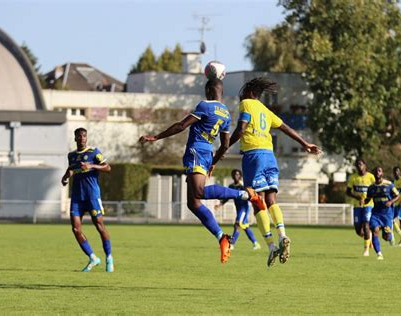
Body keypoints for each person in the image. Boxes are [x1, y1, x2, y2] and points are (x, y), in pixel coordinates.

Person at [138, 79, 265, 264]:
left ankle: (246, 194)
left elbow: (181, 126)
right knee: (193, 203)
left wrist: (156, 137)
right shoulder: (226, 114)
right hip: (207, 154)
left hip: (196, 151)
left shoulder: (205, 106)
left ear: (208, 90)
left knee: (198, 193)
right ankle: (222, 237)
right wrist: (213, 162)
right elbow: (226, 144)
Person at [211, 77, 322, 267]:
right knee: (271, 200)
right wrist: (305, 144)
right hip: (270, 156)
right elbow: (285, 128)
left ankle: (271, 246)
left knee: (256, 201)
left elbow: (241, 128)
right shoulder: (266, 110)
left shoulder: (246, 104)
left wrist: (226, 145)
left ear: (249, 92)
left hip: (254, 156)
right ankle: (283, 235)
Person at [61, 128, 114, 272]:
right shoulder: (71, 155)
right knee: (76, 229)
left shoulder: (94, 152)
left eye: (84, 136)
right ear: (75, 138)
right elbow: (70, 169)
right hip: (77, 197)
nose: (82, 138)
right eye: (80, 136)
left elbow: (108, 167)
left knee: (99, 225)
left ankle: (109, 257)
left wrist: (91, 165)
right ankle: (93, 258)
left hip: (92, 195)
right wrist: (65, 177)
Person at [215, 169, 261, 251]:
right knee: (245, 227)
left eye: (238, 174)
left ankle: (231, 244)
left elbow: (250, 196)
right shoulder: (231, 186)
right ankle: (256, 243)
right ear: (232, 176)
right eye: (235, 174)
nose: (236, 176)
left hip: (244, 208)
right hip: (238, 209)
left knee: (237, 225)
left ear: (240, 176)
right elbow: (227, 197)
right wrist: (220, 204)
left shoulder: (243, 186)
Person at [364, 166, 400, 260]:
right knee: (375, 231)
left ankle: (390, 236)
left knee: (386, 237)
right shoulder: (371, 187)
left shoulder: (389, 184)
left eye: (379, 171)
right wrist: (364, 201)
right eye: (376, 171)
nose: (377, 172)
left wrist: (391, 202)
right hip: (376, 213)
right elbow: (368, 198)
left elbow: (397, 195)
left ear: (382, 173)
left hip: (387, 214)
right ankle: (379, 253)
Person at [346, 159, 376, 256]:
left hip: (368, 205)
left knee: (366, 224)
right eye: (357, 165)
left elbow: (376, 190)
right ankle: (369, 237)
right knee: (358, 229)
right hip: (357, 206)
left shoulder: (371, 177)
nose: (359, 166)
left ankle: (366, 249)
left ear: (365, 165)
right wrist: (357, 197)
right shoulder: (353, 178)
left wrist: (369, 198)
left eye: (361, 164)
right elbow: (348, 192)